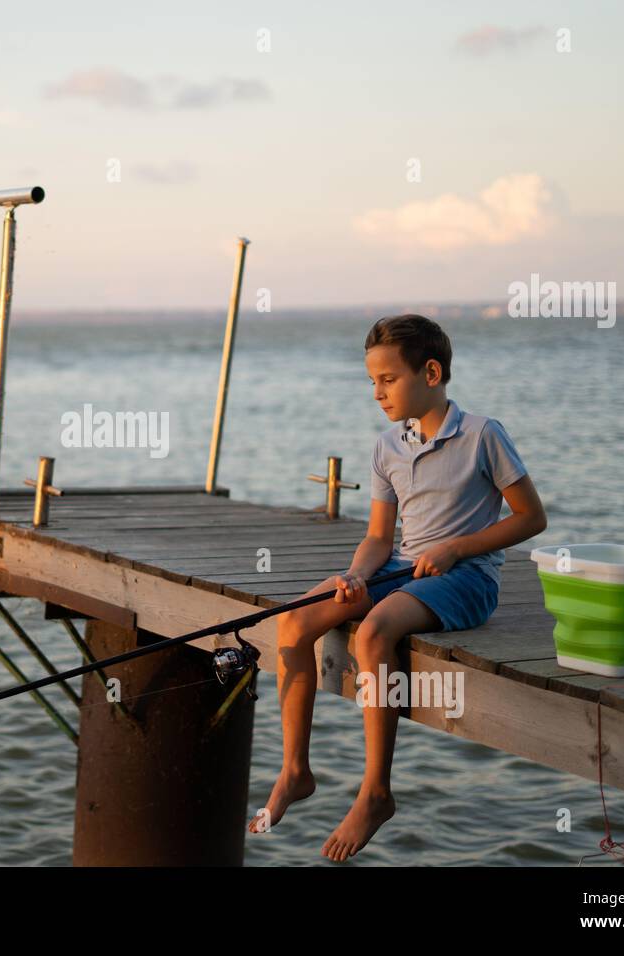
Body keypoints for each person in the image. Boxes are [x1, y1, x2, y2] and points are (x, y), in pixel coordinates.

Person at [247, 313, 548, 860]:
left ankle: (376, 792)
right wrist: (357, 576)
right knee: (292, 621)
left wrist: (459, 547)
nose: (377, 393)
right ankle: (295, 769)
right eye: (372, 382)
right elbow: (379, 538)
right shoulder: (388, 447)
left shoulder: (484, 435)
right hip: (399, 570)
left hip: (467, 579)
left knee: (373, 634)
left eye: (388, 380)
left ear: (430, 372)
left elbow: (531, 518)